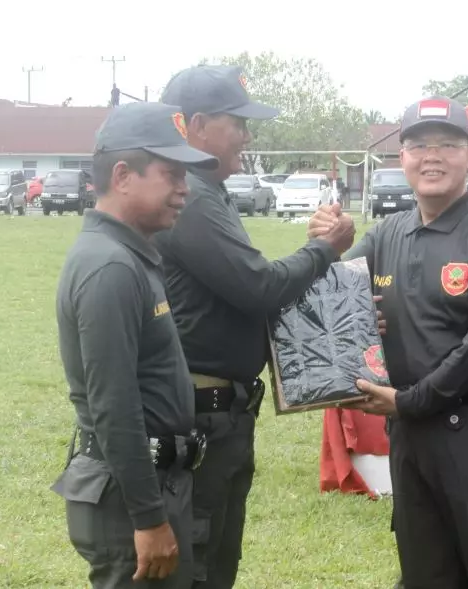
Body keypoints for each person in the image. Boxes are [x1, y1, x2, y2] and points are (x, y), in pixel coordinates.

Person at [310, 96, 468, 588]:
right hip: (412, 433)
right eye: (418, 145)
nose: (432, 156)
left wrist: (412, 401)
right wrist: (325, 247)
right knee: (424, 571)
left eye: (447, 144)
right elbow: (328, 297)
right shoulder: (390, 232)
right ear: (402, 157)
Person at [154, 64, 356, 589]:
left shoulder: (205, 191)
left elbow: (246, 289)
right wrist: (323, 250)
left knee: (217, 559)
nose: (246, 135)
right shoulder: (192, 197)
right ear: (196, 125)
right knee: (197, 567)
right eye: (236, 122)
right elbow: (258, 288)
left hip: (224, 416)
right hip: (200, 418)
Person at [52, 102, 219, 588]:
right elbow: (113, 404)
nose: (185, 189)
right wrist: (148, 518)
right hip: (128, 500)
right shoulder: (112, 268)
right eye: (171, 174)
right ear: (123, 176)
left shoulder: (128, 254)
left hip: (148, 484)